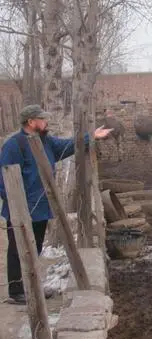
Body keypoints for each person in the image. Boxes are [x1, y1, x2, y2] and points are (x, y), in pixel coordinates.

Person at [0, 104, 113, 305]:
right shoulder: (14, 145)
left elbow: (68, 146)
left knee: (34, 249)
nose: (46, 122)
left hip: (41, 208)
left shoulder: (46, 141)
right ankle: (17, 290)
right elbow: (3, 179)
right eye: (42, 119)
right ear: (31, 122)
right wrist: (18, 205)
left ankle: (32, 286)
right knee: (18, 250)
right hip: (21, 209)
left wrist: (91, 136)